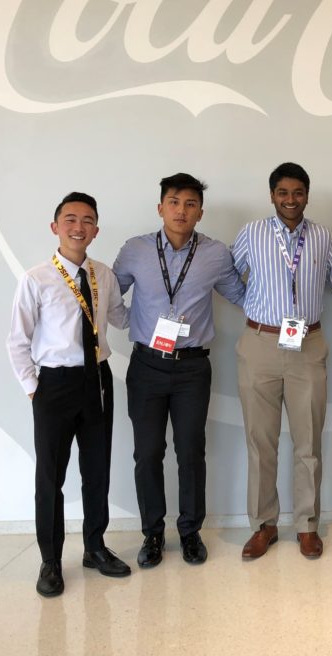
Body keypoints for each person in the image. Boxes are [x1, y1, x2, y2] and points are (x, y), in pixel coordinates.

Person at [113, 173, 245, 568]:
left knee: (191, 452)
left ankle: (190, 532)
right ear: (160, 208)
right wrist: (124, 323)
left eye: (190, 204)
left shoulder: (216, 254)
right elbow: (106, 293)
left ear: (200, 213)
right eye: (174, 202)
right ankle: (152, 535)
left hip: (192, 368)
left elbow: (240, 295)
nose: (181, 210)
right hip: (146, 364)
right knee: (148, 453)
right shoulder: (135, 250)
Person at [7, 192, 131, 597]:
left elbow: (122, 318)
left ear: (96, 230)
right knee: (51, 476)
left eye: (88, 220)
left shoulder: (104, 275)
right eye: (71, 218)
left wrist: (163, 304)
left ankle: (94, 547)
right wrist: (33, 389)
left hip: (96, 379)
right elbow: (17, 341)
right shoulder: (35, 278)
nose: (79, 226)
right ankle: (50, 560)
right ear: (55, 226)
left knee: (97, 472)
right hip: (55, 385)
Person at [232, 162, 332, 559]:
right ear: (272, 196)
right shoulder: (251, 233)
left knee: (308, 442)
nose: (291, 200)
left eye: (298, 193)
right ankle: (264, 525)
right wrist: (252, 307)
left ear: (307, 195)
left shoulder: (322, 236)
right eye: (283, 193)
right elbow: (231, 275)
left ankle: (307, 526)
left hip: (308, 346)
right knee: (260, 442)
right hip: (260, 343)